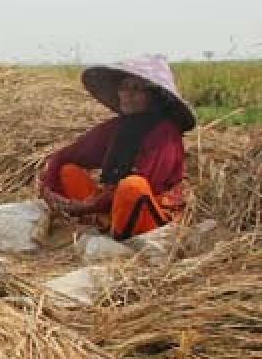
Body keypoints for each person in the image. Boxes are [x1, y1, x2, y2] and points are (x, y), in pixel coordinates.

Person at [39, 55, 195, 240]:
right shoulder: (117, 128)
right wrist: (49, 189)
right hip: (109, 207)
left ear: (155, 96)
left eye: (136, 88)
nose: (127, 94)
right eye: (124, 87)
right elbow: (65, 155)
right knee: (67, 171)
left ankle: (116, 236)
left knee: (132, 186)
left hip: (149, 214)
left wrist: (87, 207)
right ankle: (104, 224)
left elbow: (144, 184)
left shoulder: (166, 133)